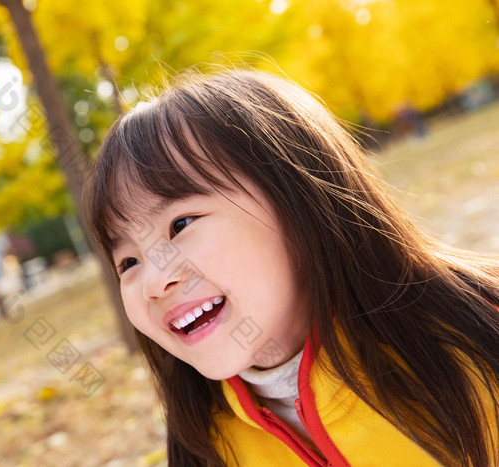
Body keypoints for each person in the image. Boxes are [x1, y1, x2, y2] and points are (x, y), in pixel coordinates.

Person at [81, 67, 499, 466]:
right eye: (129, 261)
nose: (154, 280)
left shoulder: (473, 343)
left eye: (180, 224)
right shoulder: (208, 442)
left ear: (297, 201)